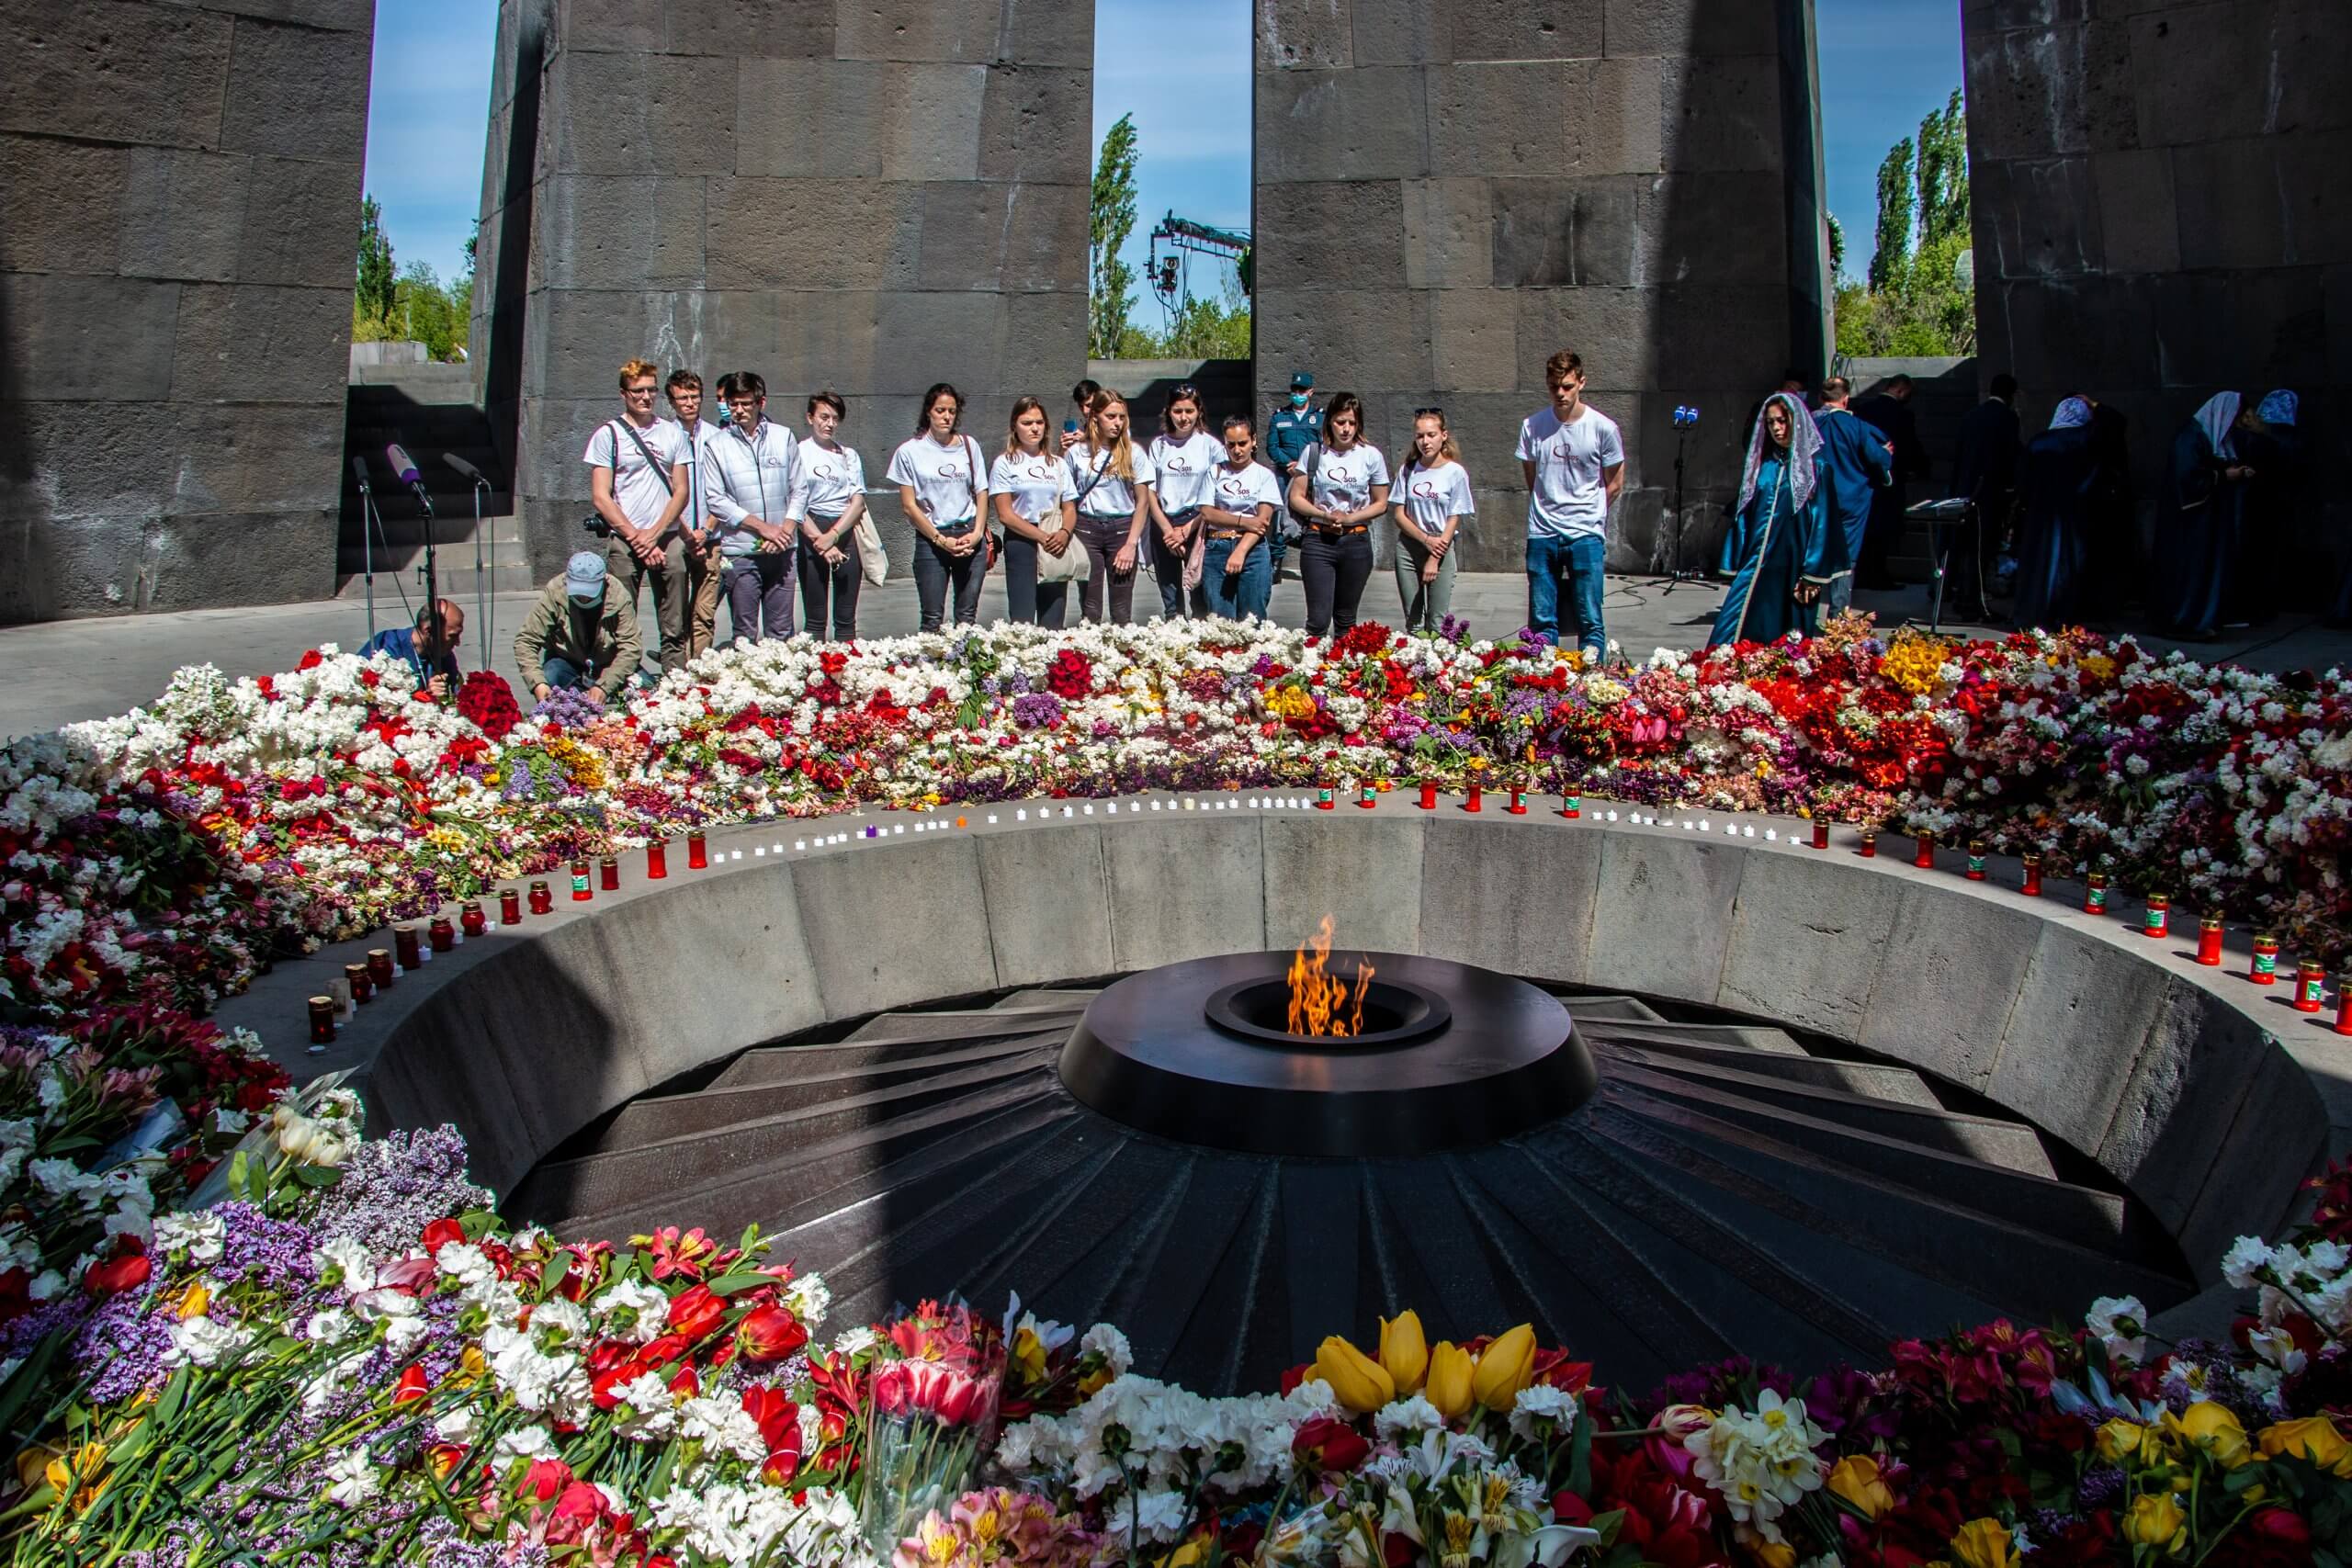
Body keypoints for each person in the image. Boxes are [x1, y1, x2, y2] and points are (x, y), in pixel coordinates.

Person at [1517, 349, 1625, 662]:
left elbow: (1615, 481)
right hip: (1543, 531)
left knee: (1590, 616)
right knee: (1541, 618)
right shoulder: (1533, 426)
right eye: (1554, 387)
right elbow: (1532, 477)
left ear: (1581, 382)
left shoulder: (1603, 428)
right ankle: (1544, 678)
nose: (1560, 393)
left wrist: (1591, 512)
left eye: (1567, 386)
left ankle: (1591, 681)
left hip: (1585, 534)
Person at [1708, 394, 1842, 648]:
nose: (1777, 429)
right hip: (1757, 564)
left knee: (1790, 638)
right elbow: (1745, 512)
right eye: (1771, 423)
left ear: (1796, 422)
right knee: (1735, 626)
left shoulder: (1817, 469)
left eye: (1782, 421)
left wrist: (1813, 574)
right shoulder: (1763, 467)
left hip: (1794, 566)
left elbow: (1824, 522)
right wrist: (1735, 555)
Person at [585, 357, 690, 675]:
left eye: (651, 391)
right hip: (626, 538)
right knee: (618, 613)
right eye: (637, 391)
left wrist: (655, 534)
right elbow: (601, 496)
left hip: (665, 537)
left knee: (674, 617)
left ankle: (675, 678)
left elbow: (681, 490)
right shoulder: (608, 435)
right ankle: (623, 677)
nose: (645, 397)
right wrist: (637, 538)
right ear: (623, 394)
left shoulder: (672, 433)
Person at [704, 371, 802, 644]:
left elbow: (799, 489)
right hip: (742, 550)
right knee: (744, 633)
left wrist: (785, 530)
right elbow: (717, 500)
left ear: (761, 402)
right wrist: (763, 529)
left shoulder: (783, 437)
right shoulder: (716, 445)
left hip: (783, 548)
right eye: (733, 403)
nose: (739, 410)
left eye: (746, 403)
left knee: (781, 632)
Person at [2154, 391, 2260, 640]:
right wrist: (2223, 476)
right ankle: (2186, 619)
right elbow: (2187, 477)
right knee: (2192, 570)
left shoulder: (2208, 437)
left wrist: (2231, 472)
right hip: (2190, 524)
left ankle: (2203, 617)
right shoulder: (2190, 437)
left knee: (2206, 568)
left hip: (2207, 520)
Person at [1285, 391, 1390, 638]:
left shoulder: (1370, 455)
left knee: (1345, 620)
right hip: (1318, 540)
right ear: (1330, 422)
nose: (1345, 429)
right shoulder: (1314, 453)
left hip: (1355, 541)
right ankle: (1312, 672)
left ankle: (1343, 674)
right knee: (1318, 620)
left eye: (1351, 423)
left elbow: (1381, 502)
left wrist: (1351, 518)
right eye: (1340, 422)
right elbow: (1296, 497)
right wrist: (1321, 513)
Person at [889, 383, 990, 632]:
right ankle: (931, 670)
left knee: (967, 617)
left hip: (968, 535)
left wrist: (977, 534)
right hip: (932, 538)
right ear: (928, 412)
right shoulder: (909, 451)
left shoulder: (969, 445)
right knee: (932, 618)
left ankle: (966, 668)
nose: (946, 417)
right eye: (940, 410)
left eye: (952, 411)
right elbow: (909, 505)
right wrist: (939, 539)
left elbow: (981, 492)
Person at [990, 397, 1081, 628]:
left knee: (1053, 620)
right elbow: (1005, 514)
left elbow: (1069, 507)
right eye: (1027, 422)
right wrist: (1041, 537)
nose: (1034, 428)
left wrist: (1063, 532)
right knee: (1022, 618)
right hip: (1023, 541)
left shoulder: (1058, 464)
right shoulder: (1005, 463)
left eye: (1039, 423)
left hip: (1055, 540)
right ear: (1014, 426)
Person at [1068, 389, 1155, 625]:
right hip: (1087, 528)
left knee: (1121, 609)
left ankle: (1122, 658)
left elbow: (1143, 502)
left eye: (1122, 417)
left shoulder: (1134, 452)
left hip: (1122, 528)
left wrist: (1131, 544)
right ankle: (1089, 657)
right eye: (1111, 416)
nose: (1117, 423)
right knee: (1091, 607)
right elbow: (1066, 495)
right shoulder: (1077, 452)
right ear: (1095, 416)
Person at [2011, 398, 2100, 630]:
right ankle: (2063, 615)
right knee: (2067, 564)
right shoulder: (2084, 441)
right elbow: (2091, 479)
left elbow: (2023, 480)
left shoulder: (2038, 442)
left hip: (2039, 515)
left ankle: (2033, 613)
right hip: (2071, 515)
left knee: (2037, 564)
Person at [789, 391, 869, 643]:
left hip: (843, 530)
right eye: (824, 417)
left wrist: (834, 535)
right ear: (810, 417)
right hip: (812, 531)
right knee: (815, 619)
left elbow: (857, 502)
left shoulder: (849, 455)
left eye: (835, 418)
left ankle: (848, 671)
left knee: (846, 619)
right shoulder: (798, 452)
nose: (830, 424)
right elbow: (795, 503)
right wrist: (820, 542)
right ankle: (816, 677)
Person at [514, 549, 643, 705]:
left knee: (645, 685)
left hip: (607, 663)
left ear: (603, 582)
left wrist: (604, 685)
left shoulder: (619, 595)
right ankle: (579, 696)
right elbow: (526, 640)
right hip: (568, 661)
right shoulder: (555, 591)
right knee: (551, 675)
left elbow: (631, 648)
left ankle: (602, 695)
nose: (583, 597)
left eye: (589, 591)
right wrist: (537, 683)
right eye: (578, 590)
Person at [1811, 377, 1894, 617]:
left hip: (1815, 498)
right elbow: (1877, 456)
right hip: (1851, 499)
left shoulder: (1809, 425)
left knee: (1811, 551)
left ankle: (1802, 611)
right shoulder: (1856, 427)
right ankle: (1837, 616)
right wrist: (1885, 454)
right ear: (1845, 399)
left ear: (1820, 398)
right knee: (1845, 556)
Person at [1389, 408, 1473, 634]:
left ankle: (1437, 667)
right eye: (1420, 436)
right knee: (1414, 622)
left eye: (1431, 435)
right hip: (1409, 546)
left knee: (1437, 623)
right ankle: (1413, 666)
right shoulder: (1408, 470)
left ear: (1443, 435)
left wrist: (1434, 557)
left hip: (1441, 548)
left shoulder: (1455, 473)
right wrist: (1423, 538)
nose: (1425, 442)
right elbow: (1399, 513)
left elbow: (1454, 517)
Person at [1949, 373, 2023, 617]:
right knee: (1983, 549)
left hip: (1965, 491)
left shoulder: (1971, 416)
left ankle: (1962, 596)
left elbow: (1959, 455)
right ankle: (1973, 601)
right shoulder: (2007, 418)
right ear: (2010, 395)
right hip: (1990, 494)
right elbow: (2010, 457)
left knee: (1967, 547)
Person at [1147, 384, 1220, 618]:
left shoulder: (1211, 446)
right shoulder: (1158, 446)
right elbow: (1149, 492)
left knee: (1199, 594)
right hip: (1164, 521)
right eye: (1178, 411)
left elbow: (1217, 494)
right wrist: (1169, 531)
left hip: (1196, 522)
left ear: (1199, 411)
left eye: (1189, 411)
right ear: (1169, 411)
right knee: (1170, 596)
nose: (1184, 417)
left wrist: (1188, 529)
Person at [664, 368, 723, 660]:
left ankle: (699, 665)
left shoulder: (716, 437)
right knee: (674, 610)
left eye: (695, 397)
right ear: (672, 402)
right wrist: (686, 532)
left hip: (710, 536)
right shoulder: (664, 436)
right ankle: (677, 667)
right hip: (677, 535)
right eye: (683, 398)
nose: (689, 403)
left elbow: (724, 490)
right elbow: (665, 492)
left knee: (704, 610)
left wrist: (707, 530)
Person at [1199, 414, 1280, 621]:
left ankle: (1263, 656)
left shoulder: (1264, 476)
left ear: (1253, 441)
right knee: (1220, 622)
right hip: (1217, 546)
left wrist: (1240, 552)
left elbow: (1262, 522)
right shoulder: (1215, 472)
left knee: (1253, 620)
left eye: (1242, 443)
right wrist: (1245, 521)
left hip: (1253, 549)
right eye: (1231, 445)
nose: (1237, 450)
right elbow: (1207, 513)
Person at [1852, 375, 1929, 589]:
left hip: (1865, 478)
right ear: (1902, 391)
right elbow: (1908, 446)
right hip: (1890, 478)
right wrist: (1919, 468)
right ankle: (1878, 574)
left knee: (1868, 528)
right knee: (1884, 529)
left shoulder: (1864, 410)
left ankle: (1862, 573)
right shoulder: (1902, 415)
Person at [2239, 389, 2305, 624]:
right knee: (2266, 555)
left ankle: (2257, 606)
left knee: (2259, 556)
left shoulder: (2263, 440)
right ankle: (2263, 606)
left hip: (2260, 504)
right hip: (2272, 504)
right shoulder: (2288, 439)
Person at [1265, 371, 1321, 582]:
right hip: (1285, 472)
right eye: (1294, 390)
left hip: (1311, 474)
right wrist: (1288, 464)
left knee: (1312, 516)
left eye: (1302, 391)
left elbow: (1322, 445)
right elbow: (1272, 446)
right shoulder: (1280, 416)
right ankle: (1276, 563)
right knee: (1279, 517)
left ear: (1310, 392)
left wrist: (1304, 466)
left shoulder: (1319, 417)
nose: (1297, 394)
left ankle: (1312, 561)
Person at [359, 598, 464, 699]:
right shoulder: (387, 648)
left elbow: (454, 695)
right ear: (428, 631)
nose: (458, 643)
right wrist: (428, 697)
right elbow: (374, 699)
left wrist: (445, 698)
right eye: (453, 635)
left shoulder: (445, 656)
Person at [1060, 378, 1101, 455]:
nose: (1085, 411)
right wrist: (1063, 450)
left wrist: (1087, 442)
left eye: (1089, 405)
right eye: (1081, 406)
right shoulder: (1082, 429)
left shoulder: (1110, 427)